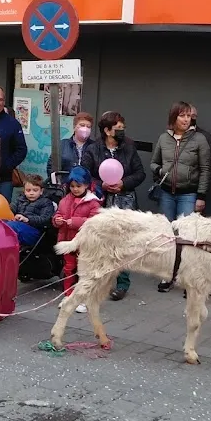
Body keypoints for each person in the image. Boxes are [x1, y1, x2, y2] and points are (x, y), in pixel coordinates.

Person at [83, 110, 146, 301]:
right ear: (107, 130)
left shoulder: (129, 148)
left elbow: (140, 173)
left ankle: (122, 283)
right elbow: (85, 175)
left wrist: (124, 183)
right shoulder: (93, 149)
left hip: (124, 200)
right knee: (102, 240)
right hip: (101, 199)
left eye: (123, 128)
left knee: (123, 241)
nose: (122, 132)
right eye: (118, 129)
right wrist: (100, 184)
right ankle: (100, 279)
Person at [151, 101, 210, 292]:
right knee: (167, 236)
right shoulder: (163, 138)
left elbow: (205, 169)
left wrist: (201, 196)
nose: (186, 119)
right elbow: (153, 163)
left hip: (189, 194)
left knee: (187, 237)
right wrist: (160, 170)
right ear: (173, 117)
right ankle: (168, 275)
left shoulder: (199, 139)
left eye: (188, 116)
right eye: (182, 115)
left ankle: (188, 279)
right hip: (167, 193)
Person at [53, 165, 101, 312]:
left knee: (84, 273)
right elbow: (57, 215)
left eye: (78, 186)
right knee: (68, 270)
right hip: (68, 242)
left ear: (86, 185)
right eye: (72, 186)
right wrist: (57, 220)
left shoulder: (93, 202)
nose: (75, 189)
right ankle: (69, 296)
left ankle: (84, 300)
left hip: (84, 243)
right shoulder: (65, 200)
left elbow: (94, 222)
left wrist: (74, 222)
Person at [0, 85, 27, 204]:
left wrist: (6, 165)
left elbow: (21, 150)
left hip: (3, 180)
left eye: (0, 100)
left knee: (0, 217)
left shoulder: (12, 123)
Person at [6, 174, 56, 247]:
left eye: (35, 190)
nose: (31, 193)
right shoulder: (20, 199)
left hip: (35, 231)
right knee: (1, 224)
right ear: (24, 191)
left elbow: (45, 220)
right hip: (18, 227)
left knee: (11, 226)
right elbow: (11, 209)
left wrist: (27, 219)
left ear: (41, 191)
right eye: (28, 190)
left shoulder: (46, 202)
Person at [188, 105, 211, 215]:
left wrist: (202, 194)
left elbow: (210, 166)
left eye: (192, 116)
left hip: (196, 191)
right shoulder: (171, 135)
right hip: (171, 191)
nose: (188, 119)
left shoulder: (204, 137)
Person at [47, 112, 95, 176]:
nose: (85, 129)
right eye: (82, 125)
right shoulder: (62, 145)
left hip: (87, 185)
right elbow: (51, 167)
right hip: (65, 184)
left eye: (88, 126)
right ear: (74, 127)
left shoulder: (94, 147)